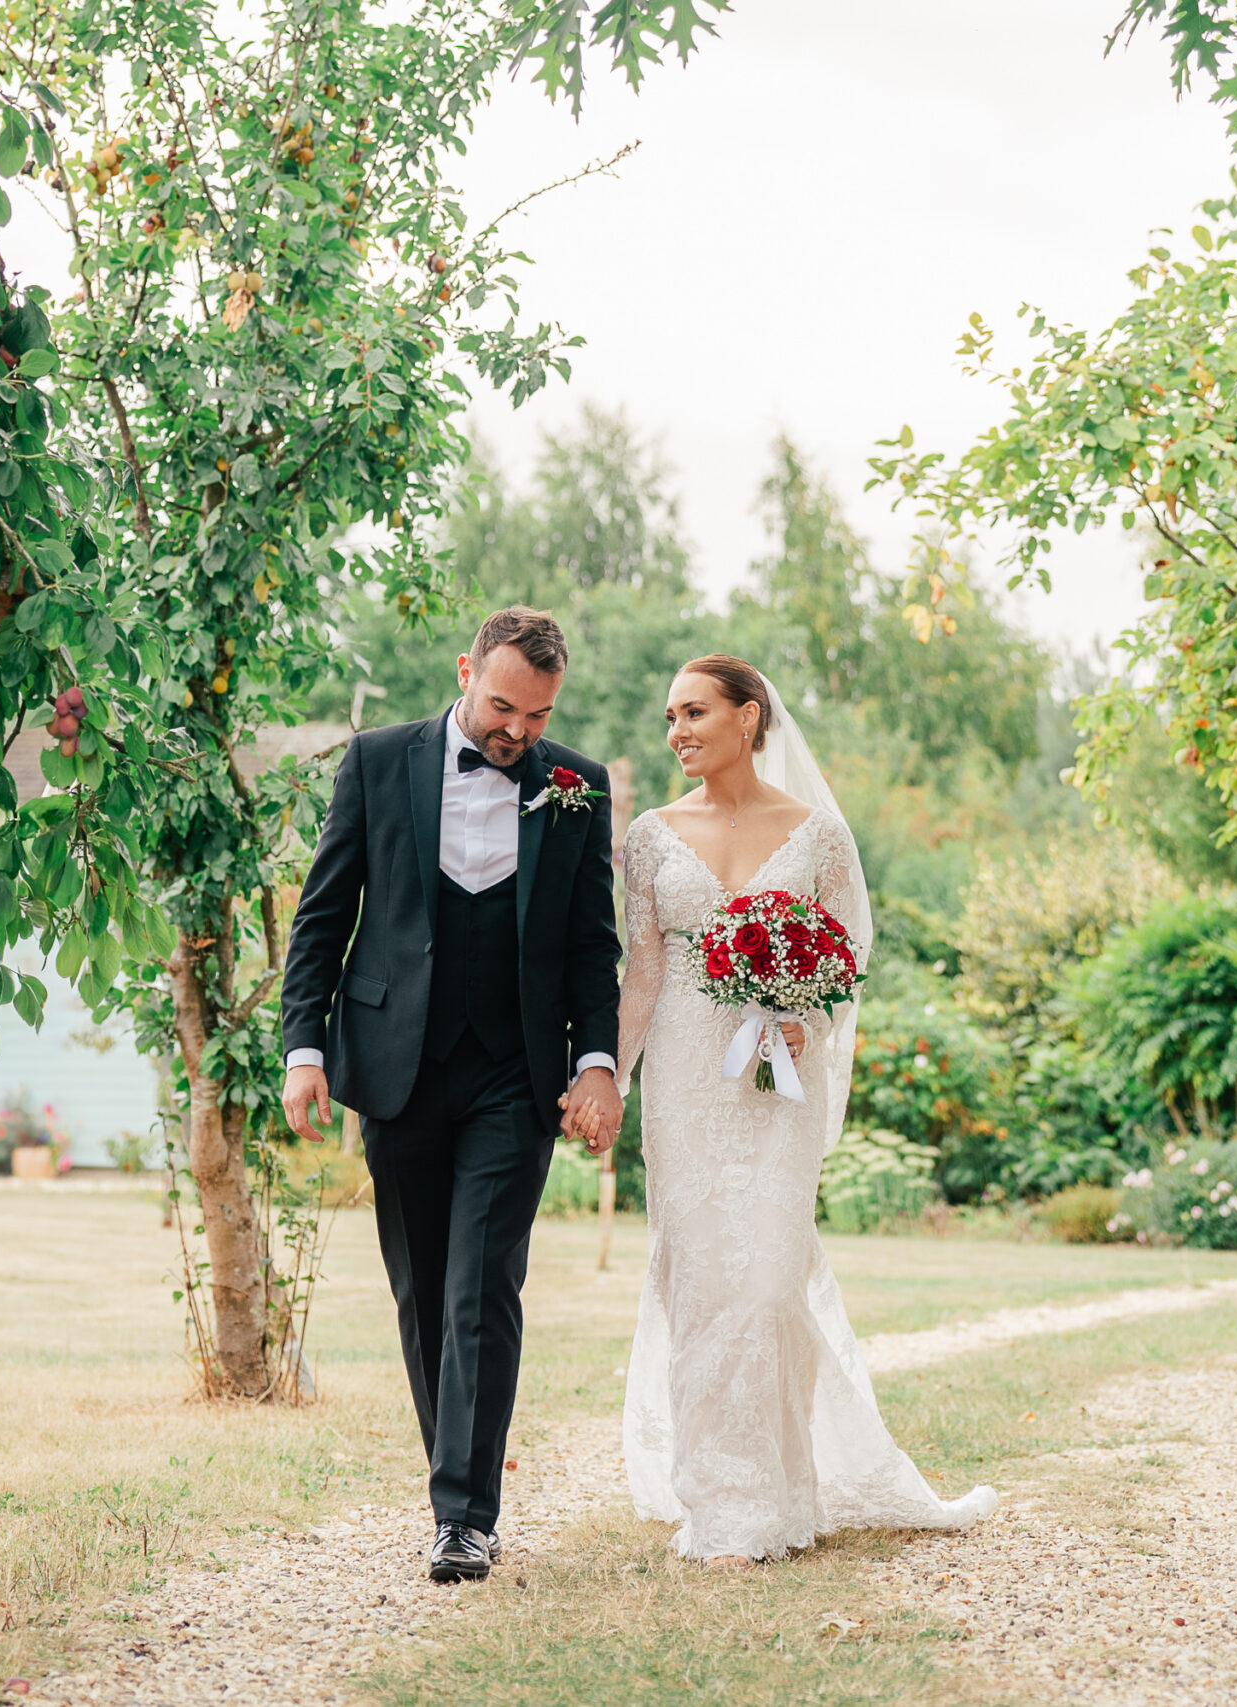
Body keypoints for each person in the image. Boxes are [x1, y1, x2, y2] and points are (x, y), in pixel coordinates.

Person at [581, 655, 998, 1565]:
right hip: (688, 1080)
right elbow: (644, 970)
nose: (677, 732)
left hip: (778, 1084)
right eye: (669, 718)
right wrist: (607, 1073)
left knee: (768, 1282)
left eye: (694, 712)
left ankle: (783, 1485)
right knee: (700, 1282)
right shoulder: (652, 836)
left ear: (748, 716)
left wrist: (804, 1010)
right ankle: (725, 1503)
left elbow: (844, 957)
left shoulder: (817, 836)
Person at [279, 606, 624, 1584]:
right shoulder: (377, 761)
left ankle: (463, 1517)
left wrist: (594, 1059)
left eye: (537, 715)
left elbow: (592, 948)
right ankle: (456, 1470)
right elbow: (321, 919)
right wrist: (304, 1048)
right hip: (398, 1067)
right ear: (465, 670)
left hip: (515, 1075)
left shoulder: (574, 787)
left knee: (483, 1285)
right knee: (423, 1292)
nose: (517, 732)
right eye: (503, 707)